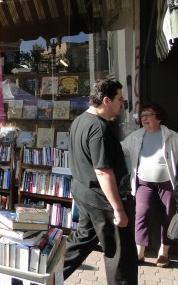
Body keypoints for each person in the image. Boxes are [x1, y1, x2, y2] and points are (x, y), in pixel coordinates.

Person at [63, 78, 138, 285]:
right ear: (106, 100)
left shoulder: (79, 121)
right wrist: (119, 209)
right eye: (120, 99)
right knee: (121, 256)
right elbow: (103, 171)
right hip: (102, 200)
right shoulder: (99, 129)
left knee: (81, 241)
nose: (122, 104)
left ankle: (48, 275)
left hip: (84, 195)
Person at [120, 102, 178, 267]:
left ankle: (164, 252)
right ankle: (140, 252)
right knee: (142, 215)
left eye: (149, 115)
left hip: (167, 185)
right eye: (142, 115)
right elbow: (121, 149)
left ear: (158, 118)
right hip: (144, 184)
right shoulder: (137, 136)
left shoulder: (171, 136)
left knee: (168, 217)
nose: (144, 118)